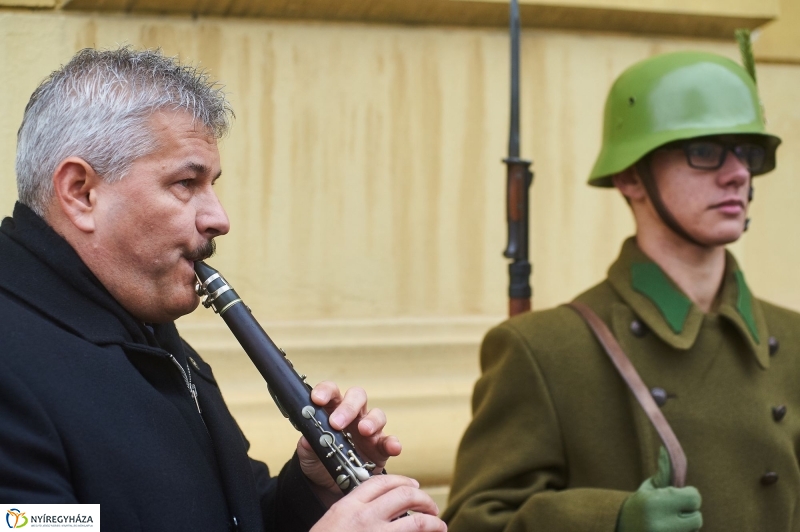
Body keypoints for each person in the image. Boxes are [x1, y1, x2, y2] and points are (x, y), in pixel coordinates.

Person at [0, 47, 447, 532]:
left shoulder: (149, 334)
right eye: (186, 183)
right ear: (81, 192)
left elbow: (230, 514)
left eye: (211, 184)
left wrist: (313, 488)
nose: (219, 218)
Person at [443, 50, 797, 531]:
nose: (737, 173)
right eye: (706, 151)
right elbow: (473, 522)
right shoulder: (545, 349)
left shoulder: (792, 339)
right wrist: (610, 522)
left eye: (748, 153)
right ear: (631, 176)